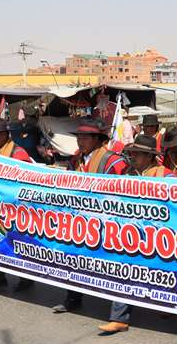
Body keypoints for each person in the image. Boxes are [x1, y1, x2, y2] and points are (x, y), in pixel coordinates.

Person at [98, 134, 174, 334]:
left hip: (156, 233)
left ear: (149, 156)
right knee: (124, 271)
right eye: (132, 153)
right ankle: (119, 318)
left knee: (159, 273)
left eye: (138, 154)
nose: (133, 157)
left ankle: (167, 305)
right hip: (129, 233)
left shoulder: (166, 175)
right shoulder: (126, 174)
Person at [54, 119, 128, 314]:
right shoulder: (75, 159)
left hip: (107, 221)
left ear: (97, 139)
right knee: (73, 258)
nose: (81, 141)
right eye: (79, 137)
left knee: (113, 265)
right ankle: (72, 298)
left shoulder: (114, 161)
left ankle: (118, 311)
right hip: (80, 220)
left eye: (86, 137)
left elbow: (125, 191)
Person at [0, 118, 35, 293]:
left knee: (17, 244)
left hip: (13, 207)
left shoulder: (18, 154)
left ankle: (26, 278)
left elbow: (26, 181)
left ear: (4, 135)